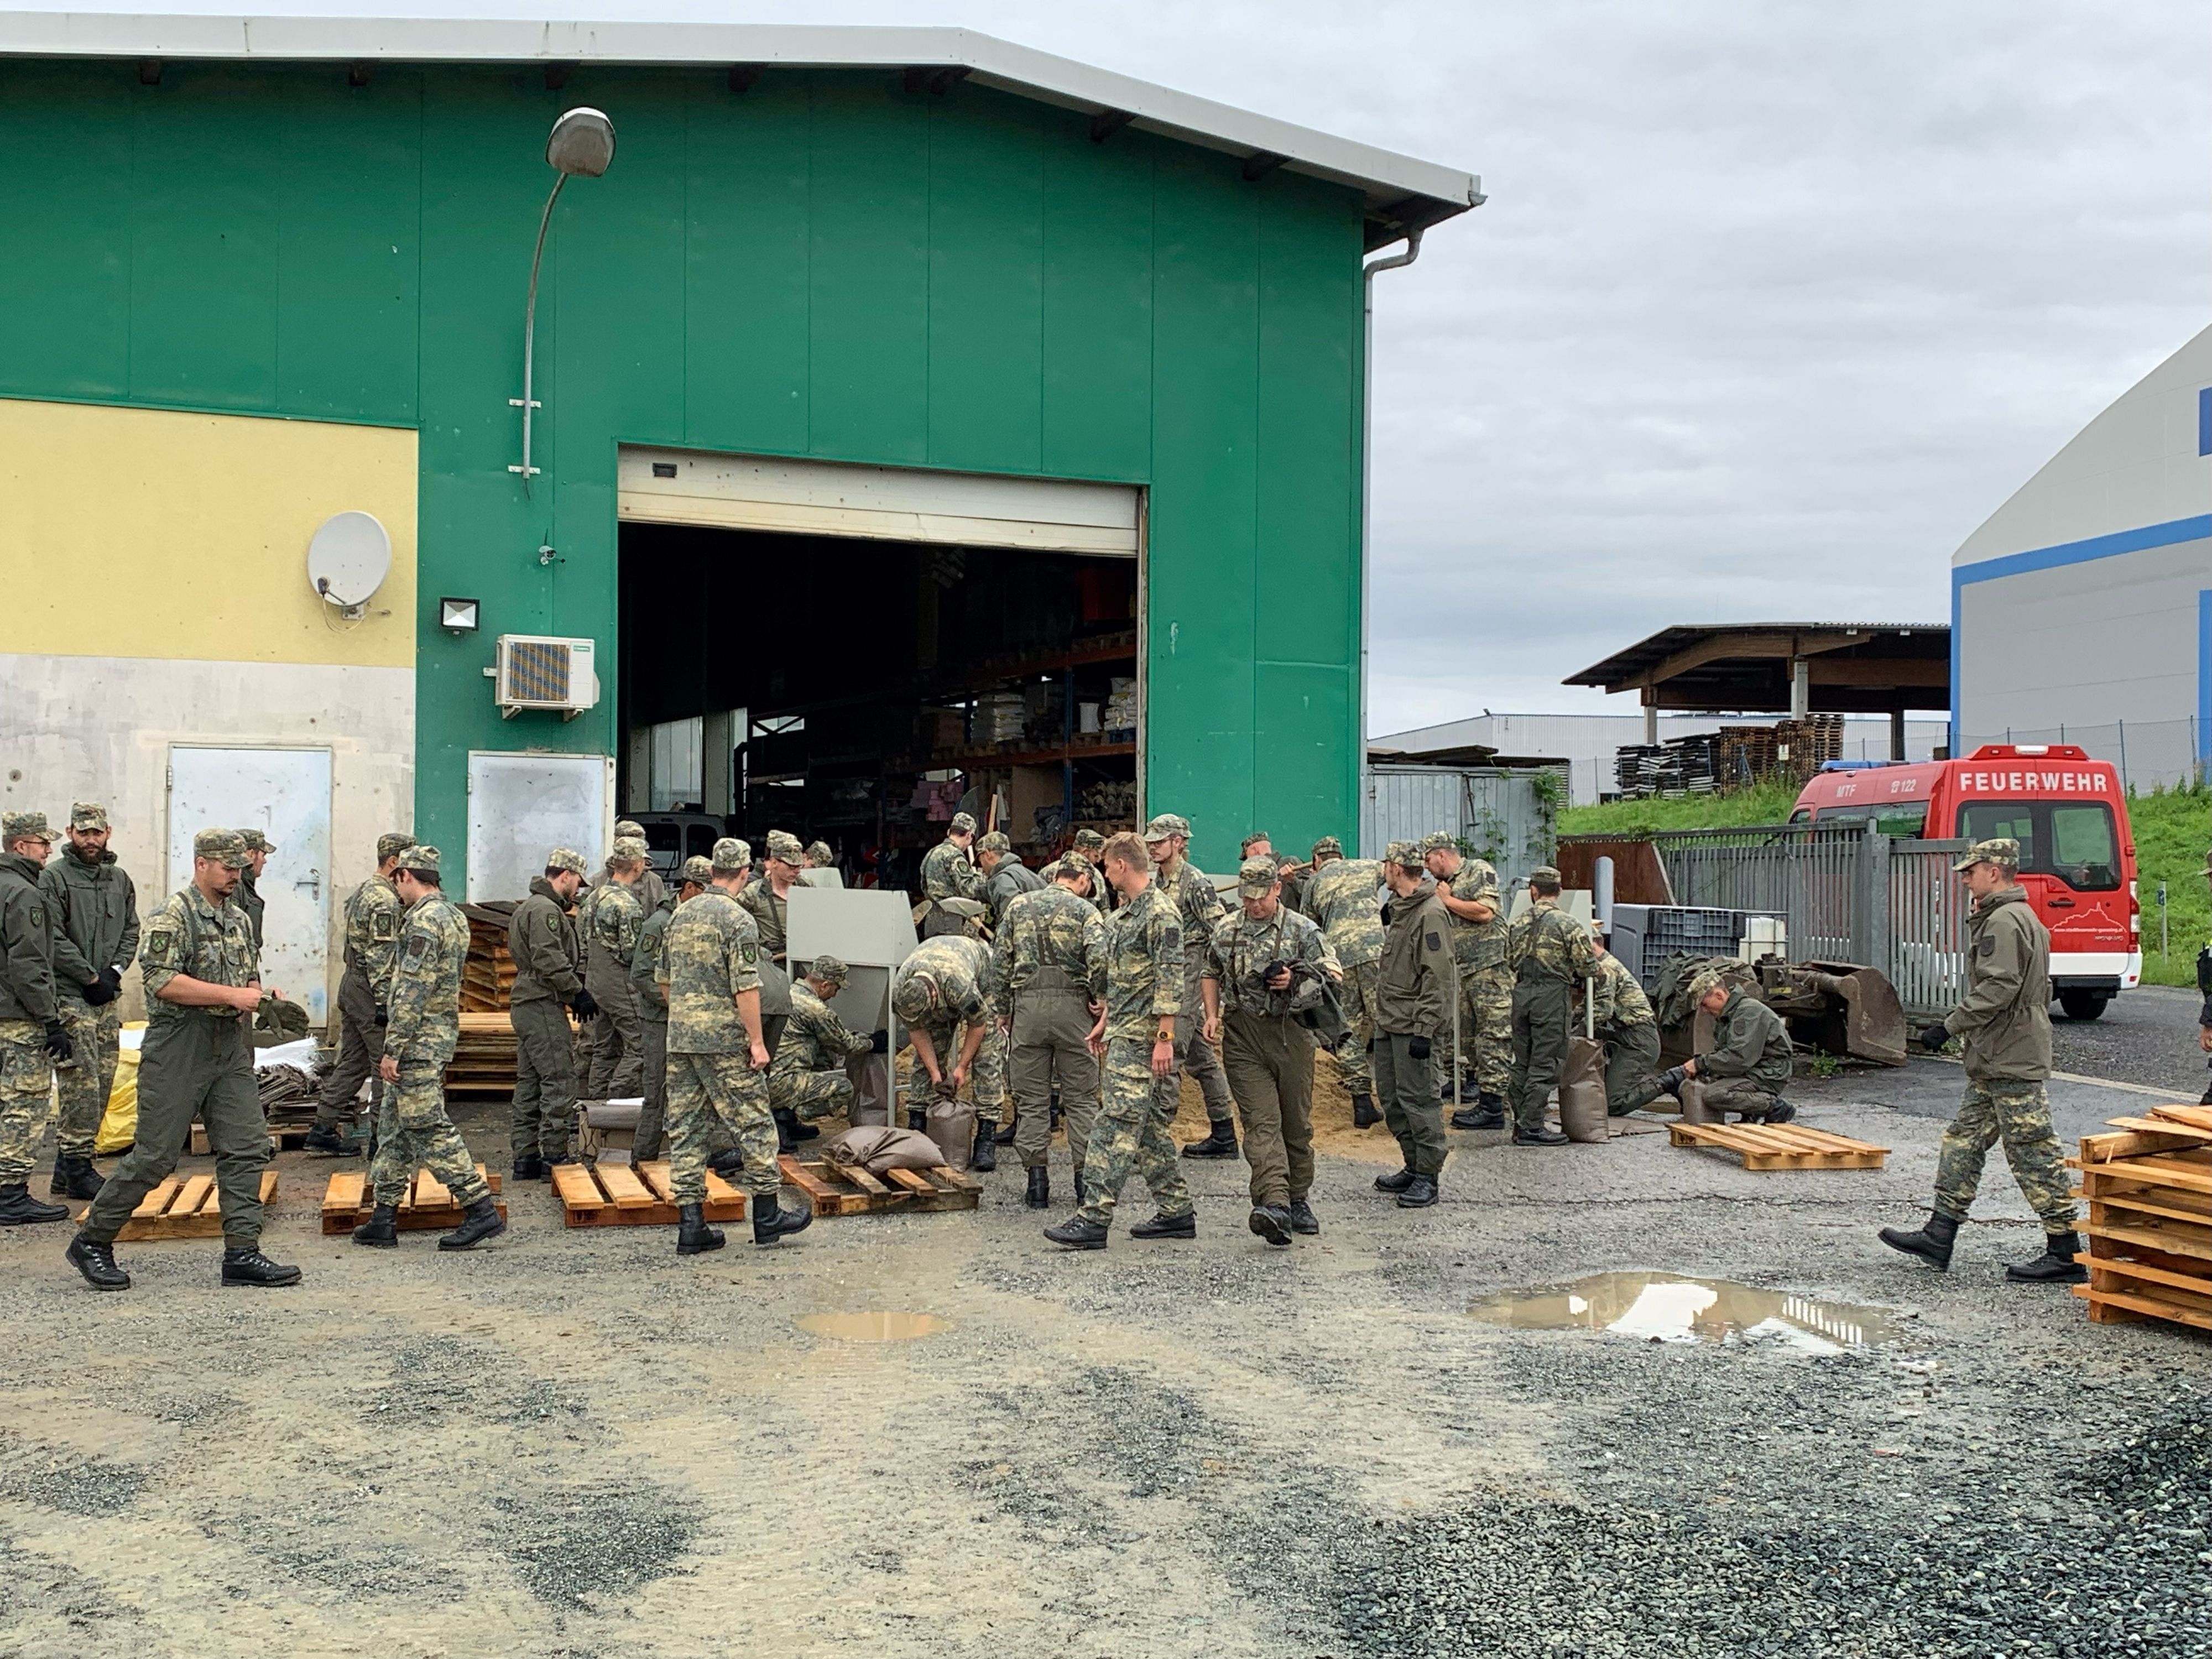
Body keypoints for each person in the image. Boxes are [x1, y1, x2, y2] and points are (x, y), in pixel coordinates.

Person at [67, 829, 299, 1290]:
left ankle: (242, 1253)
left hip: (227, 1044)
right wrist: (233, 994)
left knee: (248, 1146)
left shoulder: (237, 918)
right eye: (227, 868)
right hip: (179, 1045)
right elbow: (160, 981)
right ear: (201, 864)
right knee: (155, 1156)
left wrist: (261, 994)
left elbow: (244, 973)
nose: (236, 875)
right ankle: (92, 1240)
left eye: (240, 868)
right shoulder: (172, 916)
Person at [1880, 837, 2084, 1284]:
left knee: (2032, 1151)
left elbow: (1998, 988)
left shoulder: (2004, 921)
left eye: (1971, 872)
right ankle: (1939, 1233)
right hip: (1999, 1054)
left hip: (2010, 1055)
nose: (1966, 880)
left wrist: (1949, 1026)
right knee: (1964, 1141)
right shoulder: (2018, 916)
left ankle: (2067, 1250)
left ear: (1995, 871)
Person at [1044, 832, 1196, 1250]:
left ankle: (1093, 1217)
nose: (1104, 873)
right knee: (1144, 1128)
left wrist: (1164, 1037)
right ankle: (1177, 1210)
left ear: (1122, 866)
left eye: (1107, 866)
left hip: (1145, 1037)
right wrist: (1106, 1019)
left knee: (1113, 1124)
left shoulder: (1160, 913)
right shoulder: (1126, 914)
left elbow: (1170, 978)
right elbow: (1127, 977)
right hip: (1125, 1029)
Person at [660, 837, 811, 1254]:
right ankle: (767, 1216)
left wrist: (687, 1018)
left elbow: (664, 980)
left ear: (711, 873)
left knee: (688, 1130)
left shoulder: (681, 914)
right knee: (755, 1125)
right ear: (745, 873)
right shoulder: (738, 920)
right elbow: (746, 987)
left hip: (682, 1039)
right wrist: (757, 1042)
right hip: (726, 1040)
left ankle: (691, 1224)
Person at [351, 847, 504, 1250]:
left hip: (418, 1041)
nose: (395, 890)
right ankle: (384, 1215)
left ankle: (479, 1206)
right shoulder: (454, 916)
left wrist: (393, 1048)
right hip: (436, 1036)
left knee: (428, 1127)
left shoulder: (422, 922)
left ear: (405, 876)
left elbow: (412, 991)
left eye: (397, 881)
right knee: (394, 1129)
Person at [1203, 855, 1343, 1245]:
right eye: (1247, 897)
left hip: (1292, 1033)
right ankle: (1275, 1203)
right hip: (1244, 1034)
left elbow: (1333, 973)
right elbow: (1210, 970)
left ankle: (1298, 1197)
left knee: (1295, 1124)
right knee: (1261, 1124)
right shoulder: (1227, 928)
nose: (1253, 905)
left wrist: (1295, 977)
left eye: (1261, 897)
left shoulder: (1302, 929)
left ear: (1277, 890)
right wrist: (1211, 1015)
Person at [994, 854, 1109, 1209]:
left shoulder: (1017, 908)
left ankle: (1037, 1184)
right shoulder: (1087, 912)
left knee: (1032, 1100)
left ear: (1056, 875)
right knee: (1081, 1098)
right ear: (1085, 881)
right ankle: (1083, 1184)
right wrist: (1102, 1000)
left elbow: (1001, 961)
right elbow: (1101, 959)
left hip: (1027, 1008)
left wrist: (1003, 1010)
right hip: (1075, 1010)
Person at [39, 802, 138, 1200]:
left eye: (97, 833)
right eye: (83, 833)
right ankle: (80, 1167)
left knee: (104, 1080)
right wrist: (89, 976)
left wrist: (115, 971)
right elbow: (52, 937)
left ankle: (66, 1170)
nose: (91, 840)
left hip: (105, 996)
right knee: (80, 1080)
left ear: (108, 832)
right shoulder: (55, 879)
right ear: (70, 833)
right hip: (70, 994)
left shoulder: (119, 880)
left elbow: (132, 929)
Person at [308, 832, 415, 1157]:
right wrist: (385, 1004)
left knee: (353, 1062)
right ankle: (381, 1140)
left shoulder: (365, 891)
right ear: (394, 862)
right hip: (369, 989)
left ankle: (322, 1128)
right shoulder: (384, 900)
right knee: (385, 1062)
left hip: (353, 984)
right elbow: (381, 958)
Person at [1141, 814, 1238, 1160]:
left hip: (1189, 969)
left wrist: (1215, 980)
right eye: (1151, 840)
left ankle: (1157, 1143)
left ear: (1180, 842)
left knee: (1170, 1053)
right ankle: (1225, 1133)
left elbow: (1221, 930)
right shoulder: (1160, 880)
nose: (1153, 845)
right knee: (1201, 1057)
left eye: (1160, 840)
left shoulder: (1194, 882)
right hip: (1171, 968)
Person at [1370, 843, 1455, 1206]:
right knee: (1393, 1099)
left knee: (1420, 1100)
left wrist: (1425, 1030)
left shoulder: (1429, 913)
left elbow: (1437, 977)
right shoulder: (1402, 909)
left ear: (1396, 868)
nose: (1383, 870)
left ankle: (1428, 1175)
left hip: (1414, 1026)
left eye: (1386, 865)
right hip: (1391, 1022)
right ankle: (1412, 1163)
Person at [0, 812, 71, 1228]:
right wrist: (50, 1020)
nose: (49, 851)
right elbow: (28, 964)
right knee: (24, 1104)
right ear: (21, 847)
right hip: (19, 1017)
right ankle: (10, 1194)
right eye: (43, 843)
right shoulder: (23, 894)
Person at [507, 848, 595, 1180]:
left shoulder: (527, 907)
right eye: (577, 883)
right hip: (542, 1002)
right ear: (565, 875)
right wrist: (577, 992)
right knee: (560, 1078)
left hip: (529, 1002)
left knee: (530, 1082)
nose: (578, 891)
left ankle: (526, 1156)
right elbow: (548, 958)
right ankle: (554, 1155)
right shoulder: (546, 911)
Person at [889, 916, 1002, 1170]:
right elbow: (918, 1031)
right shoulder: (902, 991)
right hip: (935, 968)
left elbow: (978, 1025)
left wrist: (961, 1066)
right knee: (925, 1064)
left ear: (933, 998)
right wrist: (935, 1072)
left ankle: (987, 1133)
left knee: (987, 1058)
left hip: (982, 981)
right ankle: (917, 1125)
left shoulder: (958, 985)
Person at [1420, 832, 1508, 1129]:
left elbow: (1485, 912)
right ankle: (1478, 1091)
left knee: (1493, 1034)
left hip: (1489, 967)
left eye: (1429, 860)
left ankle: (1494, 1106)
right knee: (1469, 1037)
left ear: (1442, 855)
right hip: (1465, 969)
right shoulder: (1447, 884)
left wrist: (1448, 901)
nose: (1427, 867)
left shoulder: (1478, 871)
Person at [1300, 837, 1387, 1126]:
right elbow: (1398, 877)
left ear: (1316, 860)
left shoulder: (1314, 883)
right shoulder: (1367, 867)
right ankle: (1394, 1095)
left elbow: (1308, 927)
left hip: (1339, 961)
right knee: (1387, 1020)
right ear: (1340, 854)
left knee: (1346, 1027)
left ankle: (1362, 1102)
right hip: (1376, 954)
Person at [1504, 865, 1592, 1149]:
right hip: (1552, 996)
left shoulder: (1516, 924)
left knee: (1522, 1062)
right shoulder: (1568, 924)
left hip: (1521, 994)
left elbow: (1509, 960)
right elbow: (1587, 966)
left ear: (1533, 891)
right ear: (1560, 892)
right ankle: (1531, 1126)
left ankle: (1521, 1122)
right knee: (1547, 1062)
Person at [630, 857, 706, 1165]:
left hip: (693, 1022)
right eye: (704, 889)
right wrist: (673, 1002)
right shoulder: (659, 924)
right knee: (658, 1093)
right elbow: (641, 974)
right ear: (689, 887)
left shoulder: (699, 920)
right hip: (662, 1021)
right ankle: (643, 1159)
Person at [1658, 972, 1794, 1124]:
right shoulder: (1729, 1015)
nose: (1704, 1010)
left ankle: (1775, 1107)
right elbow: (1726, 1054)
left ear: (1719, 995)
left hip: (1769, 1072)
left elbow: (1739, 1058)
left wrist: (1700, 1064)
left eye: (1704, 1004)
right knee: (1705, 1081)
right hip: (1754, 1068)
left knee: (1714, 1094)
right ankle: (1751, 1113)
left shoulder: (1747, 1013)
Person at [770, 953, 875, 1136]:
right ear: (825, 985)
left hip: (765, 1076)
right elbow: (845, 1045)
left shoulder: (789, 991)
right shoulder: (816, 1009)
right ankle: (786, 1117)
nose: (835, 995)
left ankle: (786, 1120)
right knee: (843, 1088)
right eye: (836, 989)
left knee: (818, 1067)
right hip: (784, 1081)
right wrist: (873, 1043)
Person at [579, 837, 649, 1099]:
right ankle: (616, 1099)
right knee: (641, 1045)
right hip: (620, 982)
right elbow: (633, 954)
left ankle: (594, 1111)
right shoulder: (627, 904)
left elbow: (583, 941)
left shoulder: (593, 897)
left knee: (603, 1048)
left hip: (594, 980)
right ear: (638, 865)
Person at [1584, 932, 1662, 1115]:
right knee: (1600, 1096)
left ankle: (1666, 1082)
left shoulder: (1606, 969)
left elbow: (1602, 1011)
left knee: (1612, 1103)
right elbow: (1588, 1004)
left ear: (1592, 946)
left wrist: (1579, 1030)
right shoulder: (1599, 968)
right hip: (1626, 1035)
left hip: (1640, 1042)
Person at [978, 832, 1045, 925]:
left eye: (980, 860)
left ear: (988, 854)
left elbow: (1012, 918)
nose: (982, 867)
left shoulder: (1002, 879)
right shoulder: (1027, 874)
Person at [921, 812, 986, 904]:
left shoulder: (932, 853)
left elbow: (924, 885)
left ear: (949, 832)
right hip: (951, 913)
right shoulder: (955, 855)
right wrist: (982, 876)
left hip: (932, 911)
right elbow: (968, 890)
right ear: (968, 835)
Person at [236, 828, 273, 950]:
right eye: (263, 855)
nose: (265, 861)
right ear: (251, 854)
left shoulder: (244, 886)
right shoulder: (234, 888)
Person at [1070, 827, 1114, 909]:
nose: (1099, 860)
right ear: (1085, 852)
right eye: (1096, 856)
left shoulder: (1097, 876)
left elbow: (1104, 908)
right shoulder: (1051, 872)